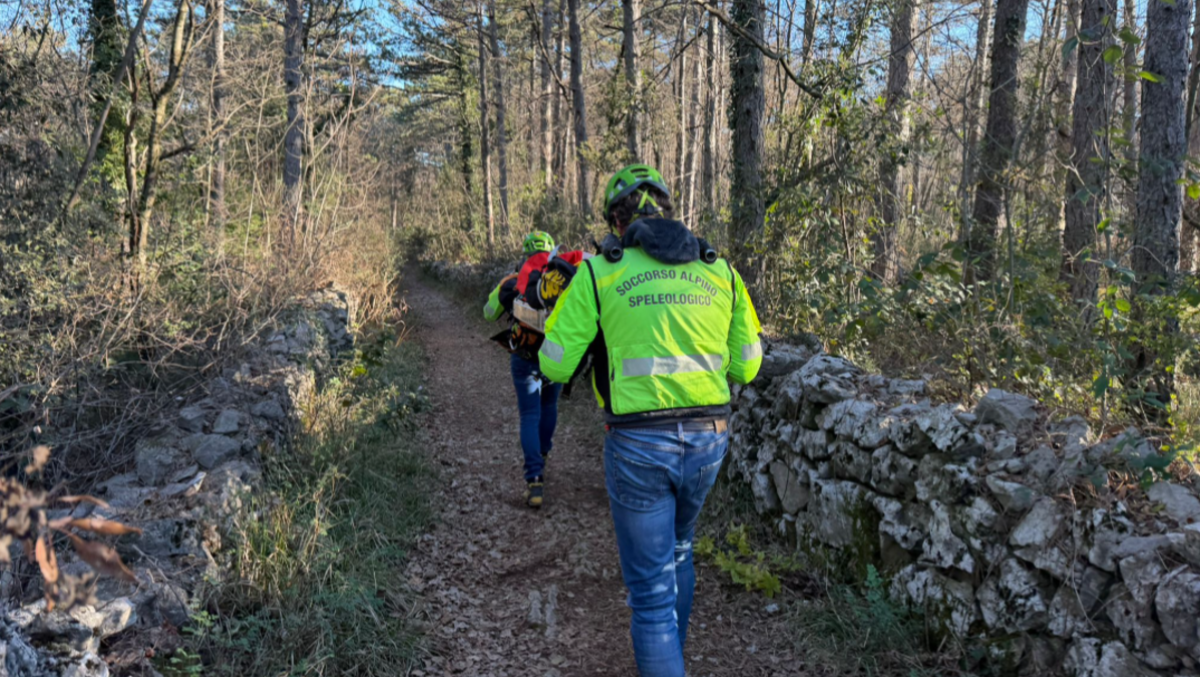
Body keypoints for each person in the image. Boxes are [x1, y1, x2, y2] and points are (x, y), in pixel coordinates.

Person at [538, 165, 762, 676]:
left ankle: (665, 659)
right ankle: (671, 656)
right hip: (709, 439)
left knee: (651, 597)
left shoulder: (600, 271)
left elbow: (553, 363)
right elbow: (748, 363)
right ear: (664, 210)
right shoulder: (718, 268)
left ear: (617, 223)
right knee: (680, 549)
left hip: (638, 444)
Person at [483, 231, 585, 509]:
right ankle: (543, 454)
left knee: (529, 414)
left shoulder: (517, 278)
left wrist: (507, 283)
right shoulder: (562, 276)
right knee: (549, 407)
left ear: (525, 252)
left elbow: (488, 311)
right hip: (554, 355)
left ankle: (534, 480)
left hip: (524, 355)